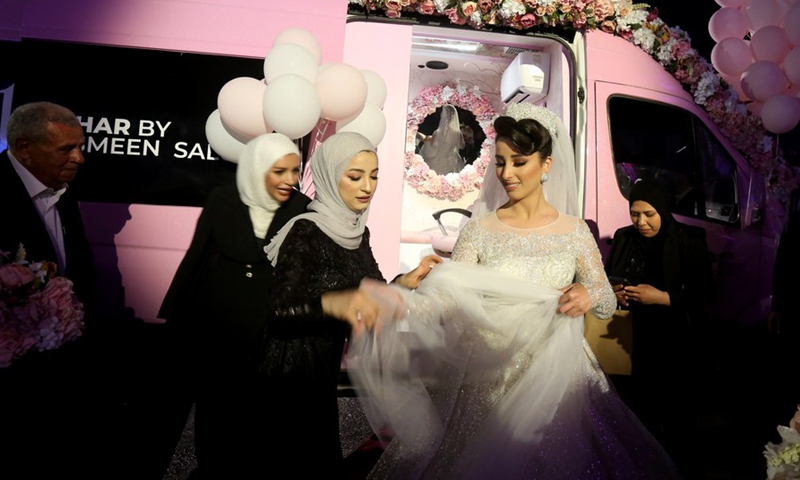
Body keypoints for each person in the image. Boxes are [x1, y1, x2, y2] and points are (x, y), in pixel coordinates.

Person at [347, 104, 681, 479]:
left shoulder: (573, 231)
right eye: (501, 162)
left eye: (519, 162)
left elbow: (604, 300)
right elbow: (447, 302)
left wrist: (588, 294)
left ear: (547, 164)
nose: (506, 174)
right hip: (489, 376)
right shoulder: (480, 230)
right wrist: (404, 302)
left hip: (557, 376)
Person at [259, 131, 441, 478]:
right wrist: (333, 304)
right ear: (330, 176)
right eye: (355, 176)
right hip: (288, 372)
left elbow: (369, 292)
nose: (367, 186)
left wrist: (408, 282)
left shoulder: (358, 232)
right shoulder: (306, 231)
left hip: (322, 368)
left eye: (374, 176)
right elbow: (280, 311)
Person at [156, 133, 312, 478]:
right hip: (217, 324)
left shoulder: (302, 209)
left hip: (270, 328)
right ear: (257, 170)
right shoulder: (223, 199)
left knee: (262, 414)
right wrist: (175, 318)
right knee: (215, 408)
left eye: (294, 171)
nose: (290, 180)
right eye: (279, 171)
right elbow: (195, 257)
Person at [0, 101, 99, 478]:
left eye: (80, 146)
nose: (79, 158)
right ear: (24, 147)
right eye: (66, 149)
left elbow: (79, 268)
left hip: (56, 374)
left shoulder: (60, 189)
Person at [605, 178, 714, 479]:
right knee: (638, 411)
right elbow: (607, 278)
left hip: (674, 339)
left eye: (649, 214)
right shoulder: (625, 237)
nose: (641, 222)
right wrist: (615, 291)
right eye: (635, 213)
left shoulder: (687, 238)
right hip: (630, 337)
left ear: (664, 211)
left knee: (677, 416)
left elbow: (705, 292)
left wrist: (663, 297)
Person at [419, 104, 465, 175]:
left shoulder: (437, 132)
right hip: (453, 161)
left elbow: (433, 147)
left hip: (437, 161)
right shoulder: (457, 133)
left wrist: (428, 140)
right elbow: (462, 146)